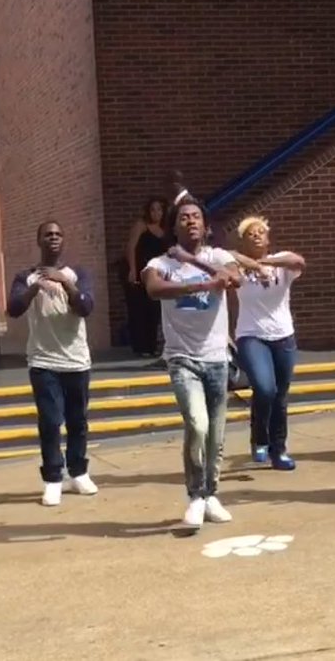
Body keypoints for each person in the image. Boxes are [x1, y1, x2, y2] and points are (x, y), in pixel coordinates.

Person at [143, 198, 241, 529]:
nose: (190, 221)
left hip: (216, 356)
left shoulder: (218, 256)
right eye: (184, 217)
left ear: (206, 225)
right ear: (174, 226)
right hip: (182, 358)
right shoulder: (160, 262)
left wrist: (192, 261)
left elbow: (234, 279)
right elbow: (154, 289)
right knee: (197, 425)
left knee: (216, 435)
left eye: (196, 216)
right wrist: (201, 284)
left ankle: (211, 494)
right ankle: (195, 496)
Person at [7, 221, 98, 507]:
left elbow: (85, 307)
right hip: (43, 359)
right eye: (48, 235)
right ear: (39, 240)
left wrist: (65, 282)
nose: (54, 238)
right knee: (49, 421)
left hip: (76, 360)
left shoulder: (77, 273)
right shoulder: (26, 276)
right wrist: (36, 287)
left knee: (77, 421)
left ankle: (79, 472)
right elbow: (14, 309)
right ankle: (53, 479)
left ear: (64, 240)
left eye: (58, 234)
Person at [229, 216, 305, 470]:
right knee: (264, 388)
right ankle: (259, 438)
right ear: (244, 240)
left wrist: (264, 263)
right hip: (251, 335)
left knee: (280, 395)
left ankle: (278, 450)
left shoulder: (281, 262)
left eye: (261, 232)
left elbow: (298, 261)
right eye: (251, 234)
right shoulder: (237, 265)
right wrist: (250, 264)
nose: (257, 236)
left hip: (283, 335)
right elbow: (225, 253)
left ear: (269, 238)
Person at [125, 198, 168, 357]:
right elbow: (131, 247)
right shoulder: (141, 226)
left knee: (156, 309)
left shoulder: (165, 229)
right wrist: (132, 270)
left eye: (159, 210)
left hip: (159, 273)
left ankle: (154, 345)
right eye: (153, 210)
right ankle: (142, 346)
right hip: (142, 271)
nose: (156, 213)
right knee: (141, 309)